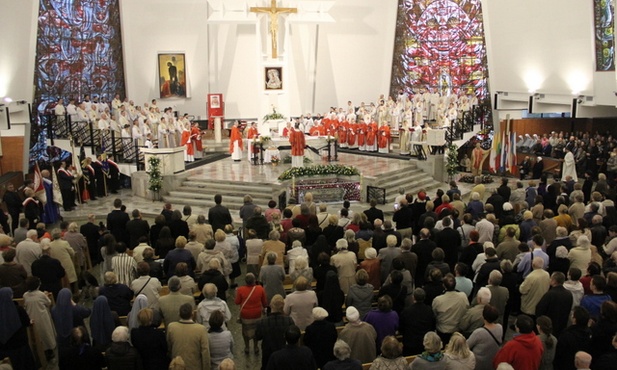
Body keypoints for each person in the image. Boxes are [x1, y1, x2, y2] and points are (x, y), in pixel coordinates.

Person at [23, 276, 57, 365]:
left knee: (39, 335)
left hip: (32, 316)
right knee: (46, 334)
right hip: (42, 317)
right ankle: (50, 352)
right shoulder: (40, 294)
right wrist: (45, 295)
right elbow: (48, 302)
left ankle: (40, 352)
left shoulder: (25, 295)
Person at [167, 303, 211, 370]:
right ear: (192, 314)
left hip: (177, 366)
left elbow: (169, 347)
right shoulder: (201, 329)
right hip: (195, 367)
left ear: (179, 314)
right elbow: (205, 352)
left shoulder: (171, 327)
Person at [235, 273, 267, 354]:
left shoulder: (240, 290)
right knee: (256, 330)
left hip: (245, 315)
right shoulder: (260, 288)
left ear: (245, 281)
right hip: (257, 314)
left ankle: (247, 346)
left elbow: (237, 302)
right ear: (255, 280)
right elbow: (264, 303)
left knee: (245, 331)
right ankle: (256, 346)